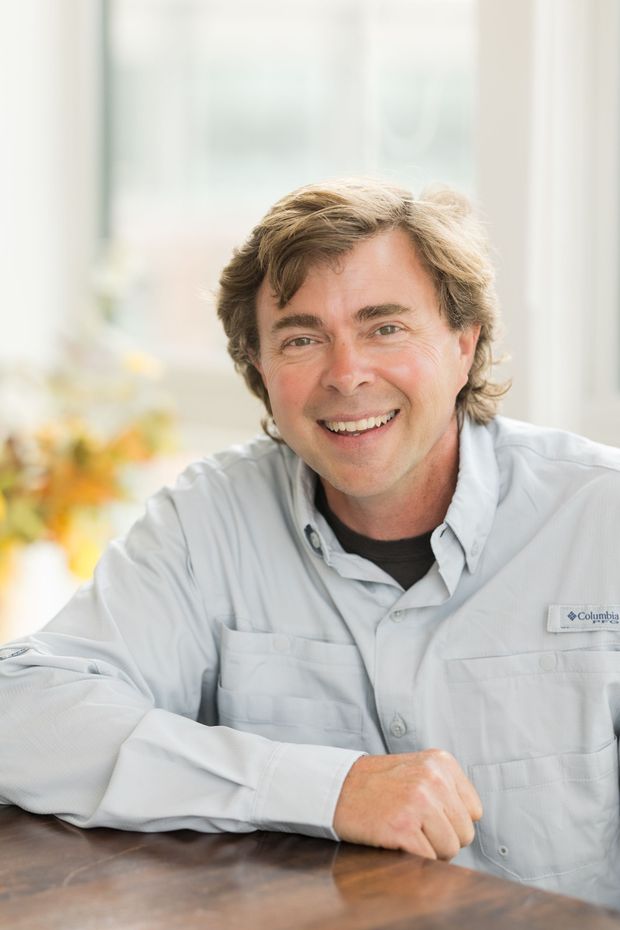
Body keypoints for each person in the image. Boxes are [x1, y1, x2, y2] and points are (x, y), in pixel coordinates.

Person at [1, 178, 619, 909]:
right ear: (260, 371)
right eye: (301, 338)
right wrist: (326, 788)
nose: (346, 373)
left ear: (463, 343)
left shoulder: (600, 521)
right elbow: (24, 716)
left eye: (385, 326)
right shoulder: (209, 521)